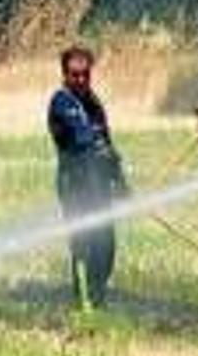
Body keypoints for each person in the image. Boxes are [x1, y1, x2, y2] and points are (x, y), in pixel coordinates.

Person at [47, 46, 129, 312]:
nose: (81, 80)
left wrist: (120, 179)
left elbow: (106, 141)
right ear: (65, 75)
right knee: (83, 243)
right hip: (75, 184)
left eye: (85, 75)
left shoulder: (93, 102)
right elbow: (84, 140)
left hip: (99, 184)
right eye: (75, 75)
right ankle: (82, 302)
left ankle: (98, 297)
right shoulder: (61, 102)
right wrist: (101, 151)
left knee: (106, 245)